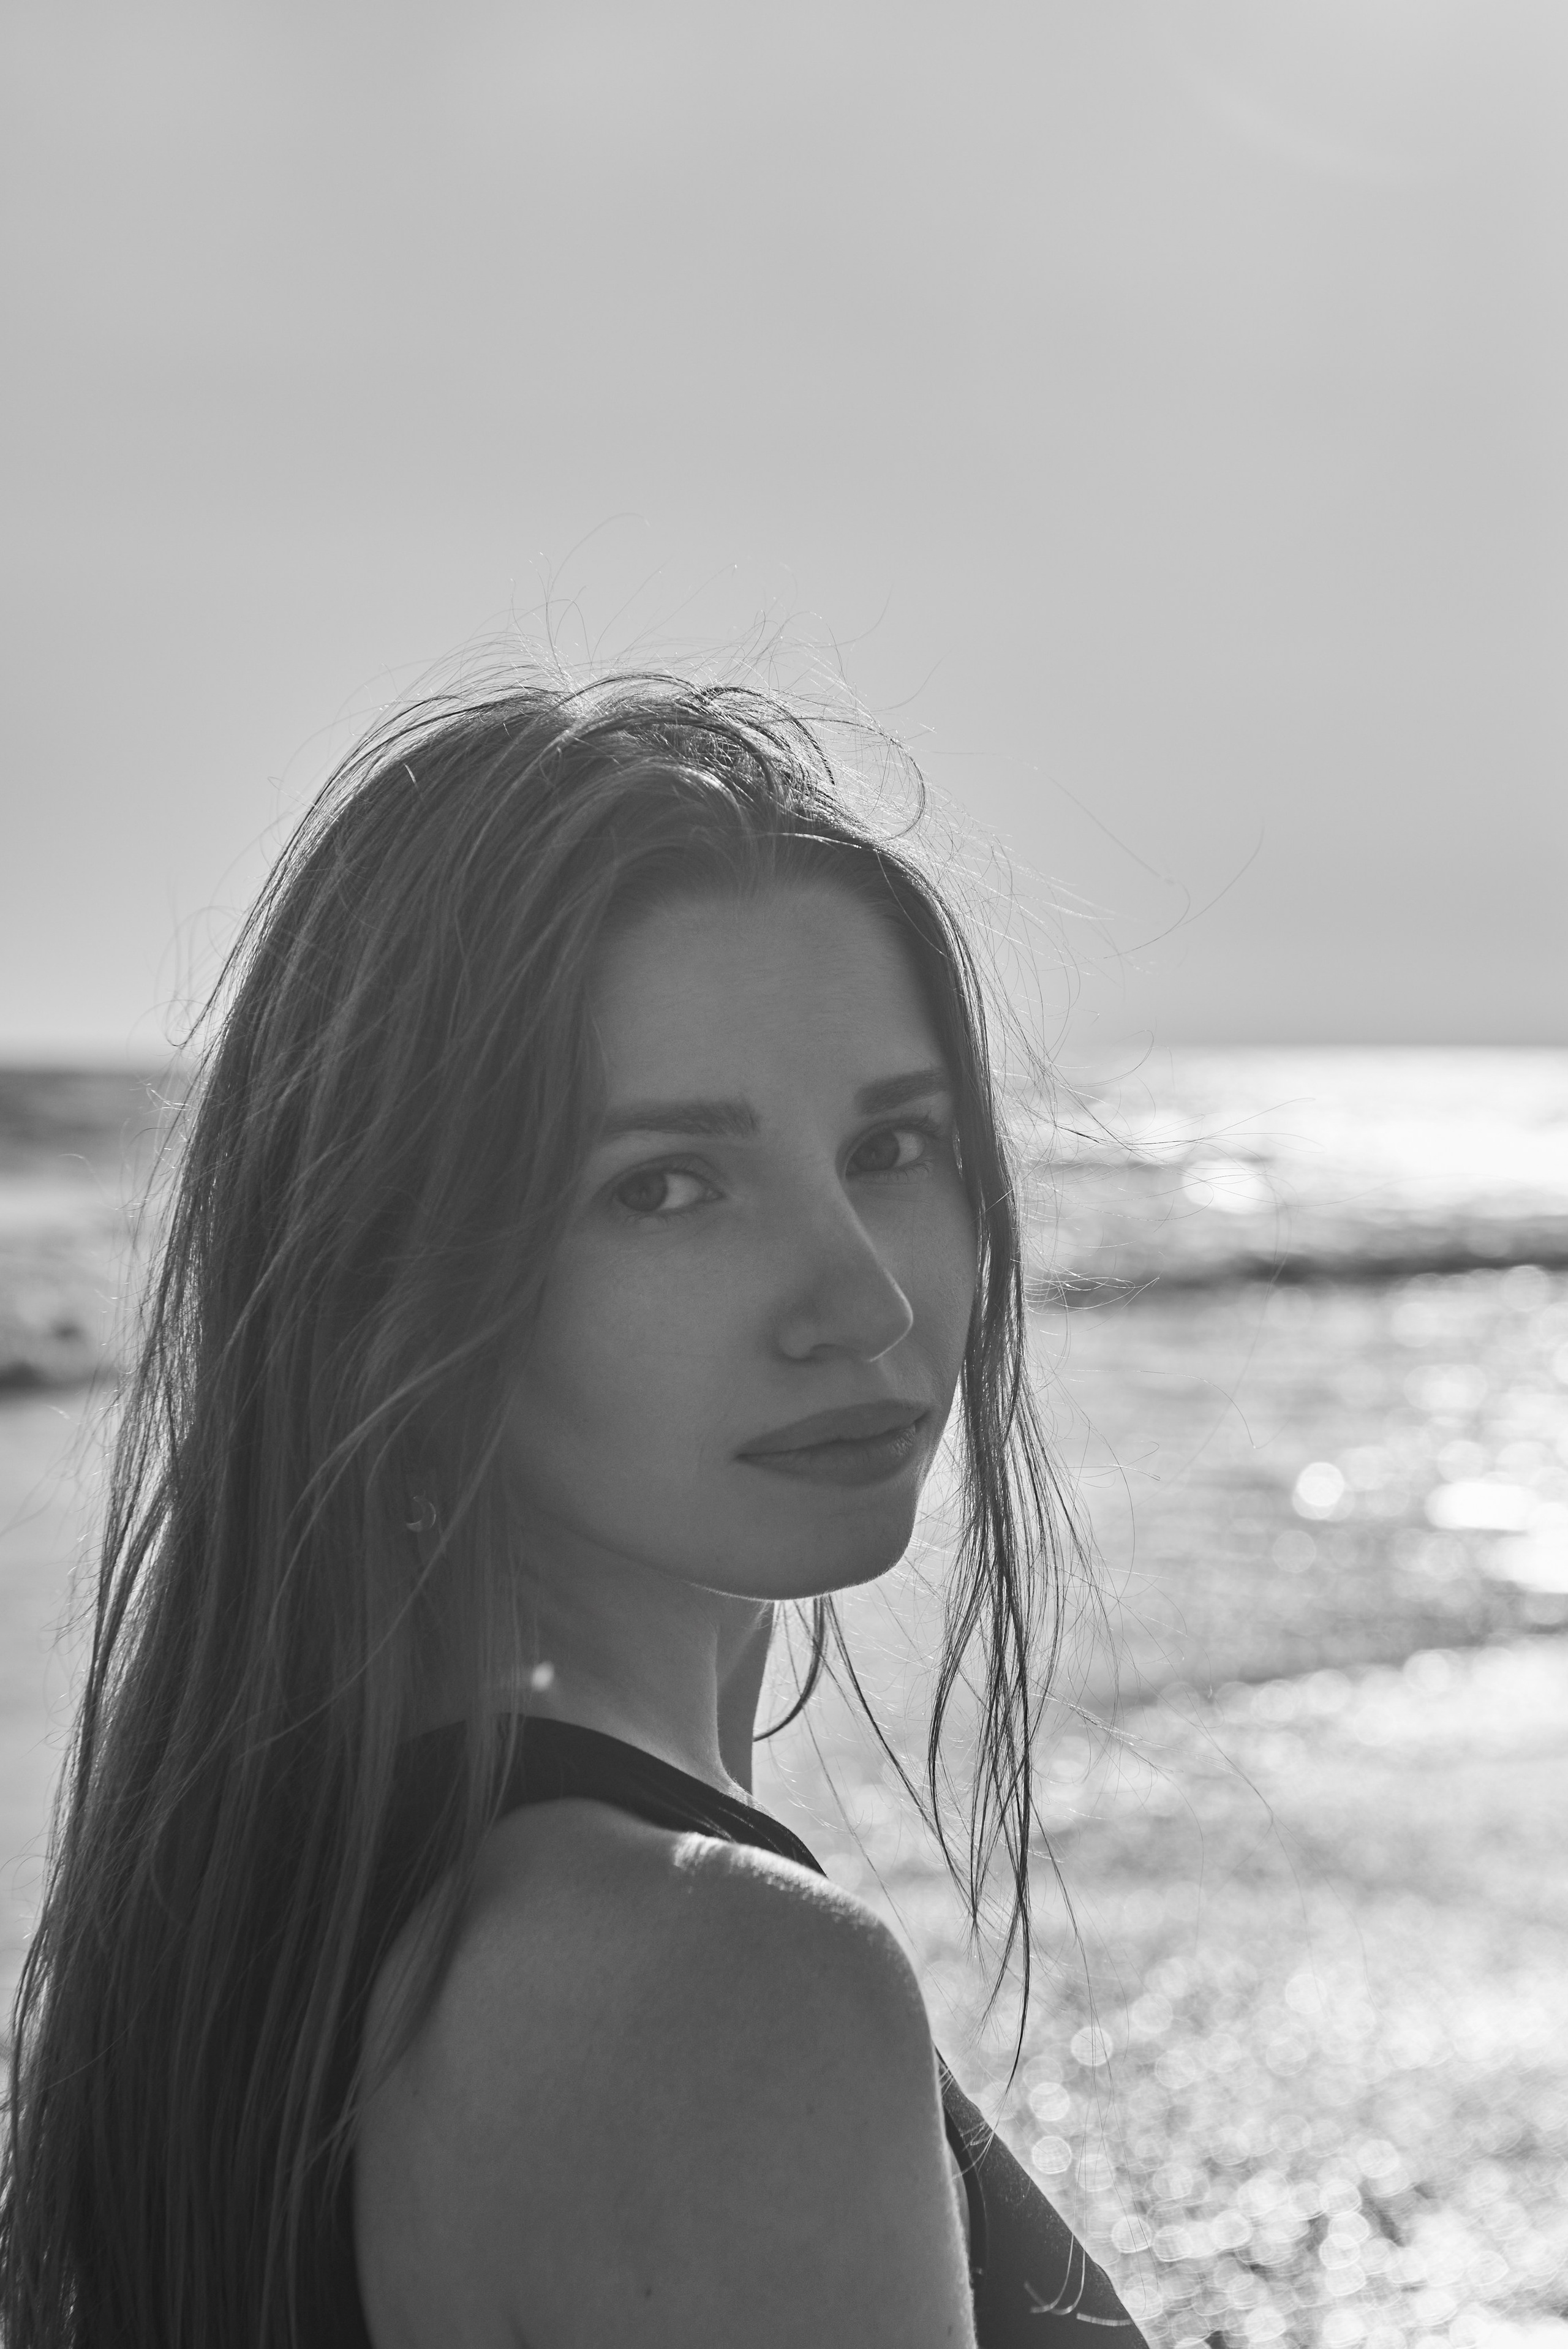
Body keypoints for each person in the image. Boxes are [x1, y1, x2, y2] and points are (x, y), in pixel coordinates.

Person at [0, 674, 1148, 2347]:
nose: (862, 1296)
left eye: (896, 1144)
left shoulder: (261, 1951)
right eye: (668, 1185)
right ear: (396, 1276)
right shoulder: (721, 1989)